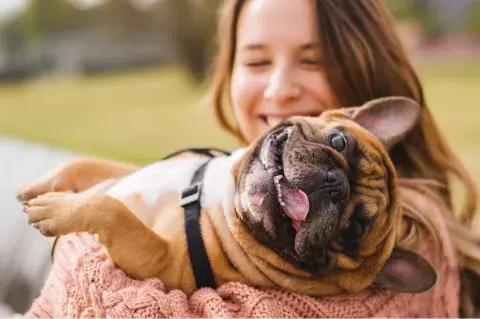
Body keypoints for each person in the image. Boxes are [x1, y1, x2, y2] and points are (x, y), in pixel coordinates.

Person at [24, 0, 480, 317]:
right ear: (226, 73)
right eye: (257, 62)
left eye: (312, 61)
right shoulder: (246, 188)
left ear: (368, 70)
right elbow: (168, 193)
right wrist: (95, 177)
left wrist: (77, 234)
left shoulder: (402, 246)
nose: (280, 89)